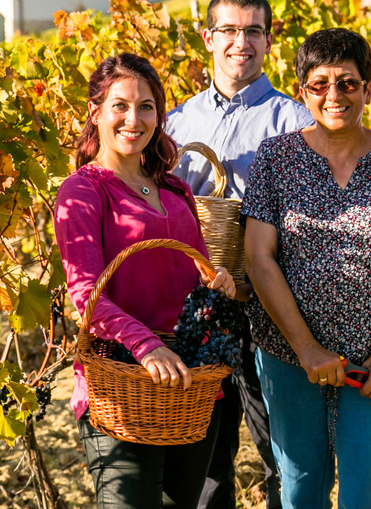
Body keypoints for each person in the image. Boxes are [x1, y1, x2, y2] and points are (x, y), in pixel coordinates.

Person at [242, 28, 371, 509]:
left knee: (370, 495)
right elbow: (258, 258)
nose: (334, 95)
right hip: (289, 357)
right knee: (300, 487)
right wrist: (306, 348)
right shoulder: (275, 158)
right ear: (303, 92)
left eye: (348, 83)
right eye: (320, 84)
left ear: (368, 88)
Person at [55, 52, 237, 509]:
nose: (133, 119)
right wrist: (145, 345)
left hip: (189, 384)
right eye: (119, 105)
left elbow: (195, 275)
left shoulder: (175, 188)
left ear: (159, 114)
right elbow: (85, 292)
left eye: (146, 106)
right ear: (95, 112)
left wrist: (220, 283)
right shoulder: (83, 190)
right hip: (123, 382)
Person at [167, 0, 312, 509]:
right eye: (228, 30)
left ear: (269, 42)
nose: (240, 42)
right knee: (205, 452)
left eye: (252, 31)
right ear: (208, 38)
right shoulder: (178, 123)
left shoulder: (295, 122)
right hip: (195, 308)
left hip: (266, 305)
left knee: (282, 449)